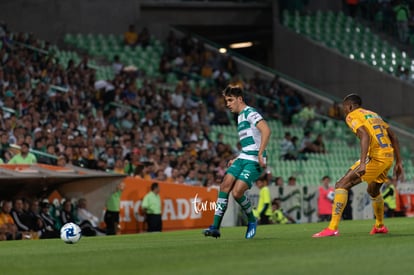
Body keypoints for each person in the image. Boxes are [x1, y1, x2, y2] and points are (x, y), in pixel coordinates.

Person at [313, 94, 404, 238]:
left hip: (375, 156)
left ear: (349, 106)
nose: (344, 111)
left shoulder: (352, 115)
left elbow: (365, 135)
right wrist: (399, 162)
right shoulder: (374, 115)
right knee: (373, 190)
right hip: (388, 156)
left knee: (341, 185)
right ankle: (379, 226)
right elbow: (393, 136)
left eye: (344, 108)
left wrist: (362, 163)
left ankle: (332, 228)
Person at [203, 85, 271, 239]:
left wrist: (261, 153)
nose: (227, 104)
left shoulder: (250, 113)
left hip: (254, 160)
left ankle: (252, 221)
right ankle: (215, 227)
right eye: (226, 100)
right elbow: (249, 143)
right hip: (244, 157)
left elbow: (266, 130)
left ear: (239, 99)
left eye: (230, 100)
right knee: (225, 184)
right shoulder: (240, 117)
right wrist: (237, 157)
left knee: (237, 192)